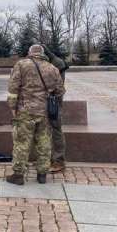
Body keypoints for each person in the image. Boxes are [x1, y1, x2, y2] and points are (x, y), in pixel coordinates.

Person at [6, 44, 65, 185]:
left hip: (25, 111)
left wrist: (12, 107)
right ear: (43, 53)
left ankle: (18, 175)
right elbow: (60, 91)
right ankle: (42, 174)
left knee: (22, 143)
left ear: (30, 52)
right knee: (44, 142)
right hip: (44, 112)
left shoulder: (21, 65)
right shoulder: (52, 68)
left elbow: (13, 88)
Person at [42, 45, 70, 173]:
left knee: (56, 130)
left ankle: (59, 161)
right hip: (47, 101)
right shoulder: (51, 62)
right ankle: (47, 159)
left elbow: (58, 87)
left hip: (53, 102)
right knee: (46, 130)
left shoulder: (57, 63)